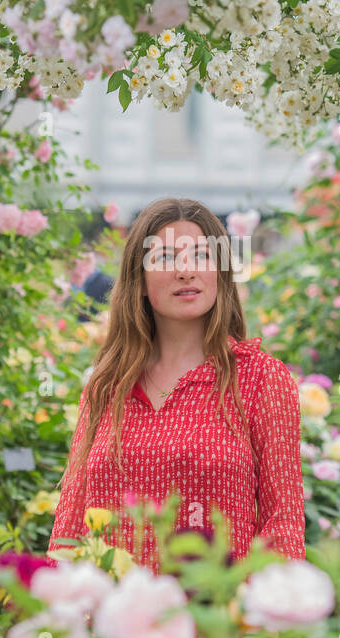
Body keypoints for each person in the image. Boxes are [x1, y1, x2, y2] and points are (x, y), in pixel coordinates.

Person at [47, 196, 307, 573]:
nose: (186, 271)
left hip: (215, 619)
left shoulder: (259, 379)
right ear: (139, 281)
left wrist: (262, 625)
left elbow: (283, 525)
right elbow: (70, 525)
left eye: (201, 255)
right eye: (166, 258)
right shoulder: (107, 385)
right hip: (110, 621)